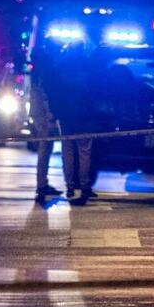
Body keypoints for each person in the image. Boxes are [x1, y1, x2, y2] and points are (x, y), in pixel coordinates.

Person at [45, 42, 98, 204]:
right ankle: (85, 186)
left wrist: (55, 112)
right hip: (84, 115)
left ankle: (70, 186)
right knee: (84, 151)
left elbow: (53, 91)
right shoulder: (89, 65)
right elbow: (94, 90)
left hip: (66, 115)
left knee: (67, 150)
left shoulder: (60, 65)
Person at [30, 41, 64, 201]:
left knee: (45, 149)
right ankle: (41, 185)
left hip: (39, 113)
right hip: (43, 115)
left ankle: (43, 183)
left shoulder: (39, 69)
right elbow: (45, 96)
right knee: (44, 150)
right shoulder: (46, 70)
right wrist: (50, 116)